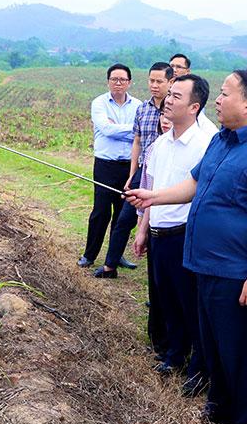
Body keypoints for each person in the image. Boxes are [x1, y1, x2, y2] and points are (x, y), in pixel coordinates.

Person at [125, 69, 247, 424]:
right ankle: (220, 405)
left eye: (225, 93)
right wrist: (154, 197)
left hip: (237, 271)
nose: (217, 99)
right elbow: (195, 185)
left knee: (239, 350)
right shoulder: (221, 140)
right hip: (205, 264)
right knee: (214, 344)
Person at [132, 75, 213, 395]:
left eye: (177, 96)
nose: (168, 99)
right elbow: (151, 192)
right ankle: (175, 355)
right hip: (159, 234)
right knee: (166, 300)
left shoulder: (205, 144)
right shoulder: (159, 144)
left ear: (194, 107)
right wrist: (142, 231)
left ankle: (200, 368)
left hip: (185, 235)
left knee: (190, 304)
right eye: (170, 94)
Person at [97, 63, 173, 279]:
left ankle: (156, 277)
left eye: (159, 81)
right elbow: (137, 142)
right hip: (143, 170)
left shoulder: (175, 110)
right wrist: (132, 174)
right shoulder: (142, 109)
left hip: (166, 173)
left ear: (170, 82)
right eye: (151, 80)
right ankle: (110, 265)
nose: (154, 85)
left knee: (156, 225)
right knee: (125, 219)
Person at [80, 64, 140, 268]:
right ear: (108, 82)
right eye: (114, 79)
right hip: (105, 165)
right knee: (101, 211)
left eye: (122, 79)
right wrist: (132, 130)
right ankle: (89, 254)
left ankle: (116, 255)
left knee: (123, 214)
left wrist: (119, 129)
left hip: (129, 166)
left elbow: (137, 134)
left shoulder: (138, 106)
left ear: (129, 82)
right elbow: (106, 130)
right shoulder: (99, 103)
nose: (118, 83)